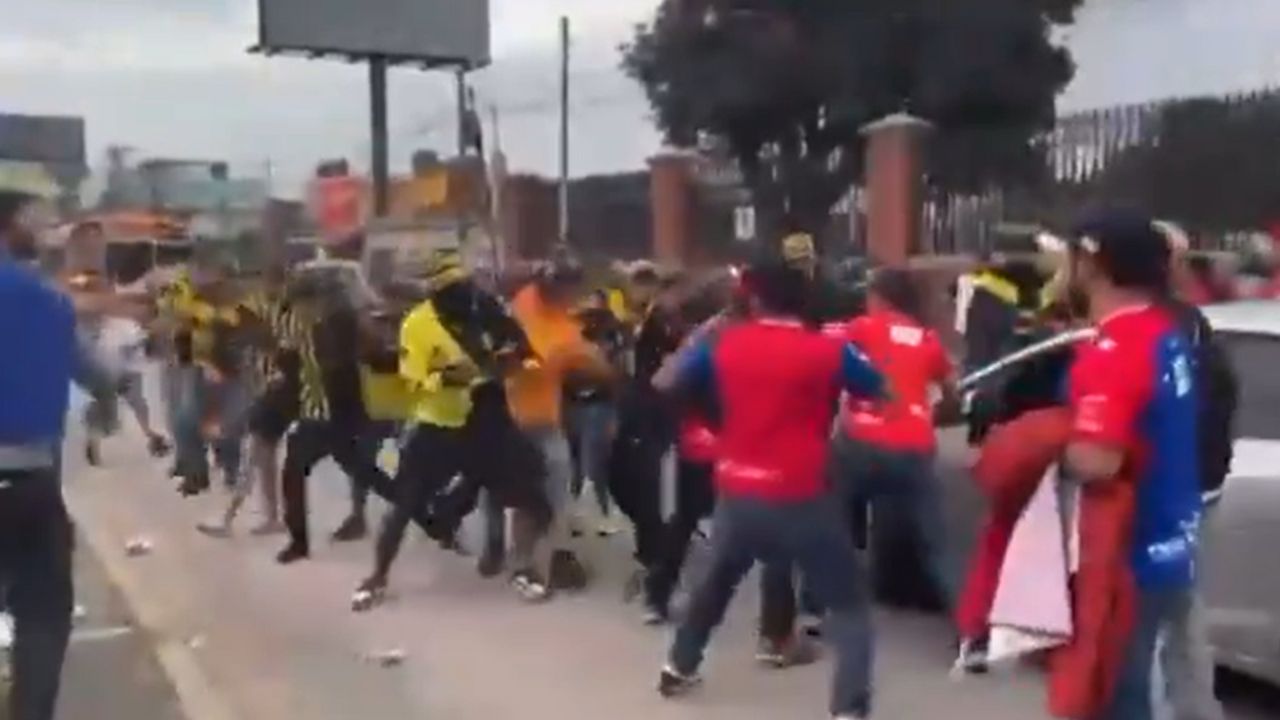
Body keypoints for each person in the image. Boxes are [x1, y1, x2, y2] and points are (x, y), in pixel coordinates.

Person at [653, 258, 884, 720]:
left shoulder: (724, 344)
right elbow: (881, 389)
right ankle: (848, 707)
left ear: (754, 299)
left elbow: (664, 381)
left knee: (715, 585)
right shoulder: (827, 349)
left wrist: (706, 330)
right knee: (849, 605)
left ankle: (678, 666)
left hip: (738, 490)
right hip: (803, 493)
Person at [1062, 212, 1202, 720]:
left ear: (1093, 264)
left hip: (1125, 557)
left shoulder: (1115, 349)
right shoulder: (1166, 335)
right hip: (1172, 543)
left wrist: (1047, 446)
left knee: (1116, 699)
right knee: (1142, 689)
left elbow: (1098, 461)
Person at [0, 190, 115, 720]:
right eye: (32, 222)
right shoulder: (49, 302)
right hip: (30, 483)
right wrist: (109, 403)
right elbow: (97, 374)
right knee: (43, 613)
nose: (42, 233)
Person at [831, 269, 958, 615]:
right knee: (936, 539)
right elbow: (953, 389)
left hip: (862, 440)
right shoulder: (927, 338)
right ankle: (967, 623)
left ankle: (820, 606)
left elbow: (828, 353)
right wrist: (930, 414)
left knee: (832, 517)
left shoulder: (862, 327)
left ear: (880, 298)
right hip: (913, 444)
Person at [1152, 221, 1236, 720]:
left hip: (1169, 485)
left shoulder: (1159, 323)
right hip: (1198, 481)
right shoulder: (1195, 322)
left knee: (1156, 617)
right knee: (1181, 611)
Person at [495, 260, 613, 599]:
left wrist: (602, 362)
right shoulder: (520, 309)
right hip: (511, 419)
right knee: (526, 495)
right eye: (563, 286)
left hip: (545, 419)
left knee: (558, 490)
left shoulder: (566, 323)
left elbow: (589, 363)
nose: (569, 294)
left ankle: (559, 556)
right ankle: (519, 565)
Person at [271, 274, 402, 563]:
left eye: (300, 304)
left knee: (297, 471)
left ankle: (298, 543)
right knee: (362, 470)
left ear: (312, 302)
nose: (297, 311)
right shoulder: (317, 326)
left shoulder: (331, 328)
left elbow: (348, 367)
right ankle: (422, 511)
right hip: (330, 414)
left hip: (326, 414)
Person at [197, 265, 296, 537]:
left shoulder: (272, 317)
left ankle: (228, 520)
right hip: (272, 393)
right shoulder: (265, 314)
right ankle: (272, 518)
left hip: (275, 395)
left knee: (253, 456)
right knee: (264, 459)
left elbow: (274, 353)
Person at [564, 288, 626, 536]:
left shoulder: (612, 335)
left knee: (594, 464)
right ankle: (575, 517)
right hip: (572, 404)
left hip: (599, 405)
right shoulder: (570, 333)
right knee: (575, 465)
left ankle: (604, 513)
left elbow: (618, 374)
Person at [79, 303, 170, 466]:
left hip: (125, 370)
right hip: (111, 369)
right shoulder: (125, 327)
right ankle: (95, 440)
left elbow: (147, 357)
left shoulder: (140, 333)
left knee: (136, 404)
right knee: (110, 409)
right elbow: (110, 348)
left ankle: (150, 435)